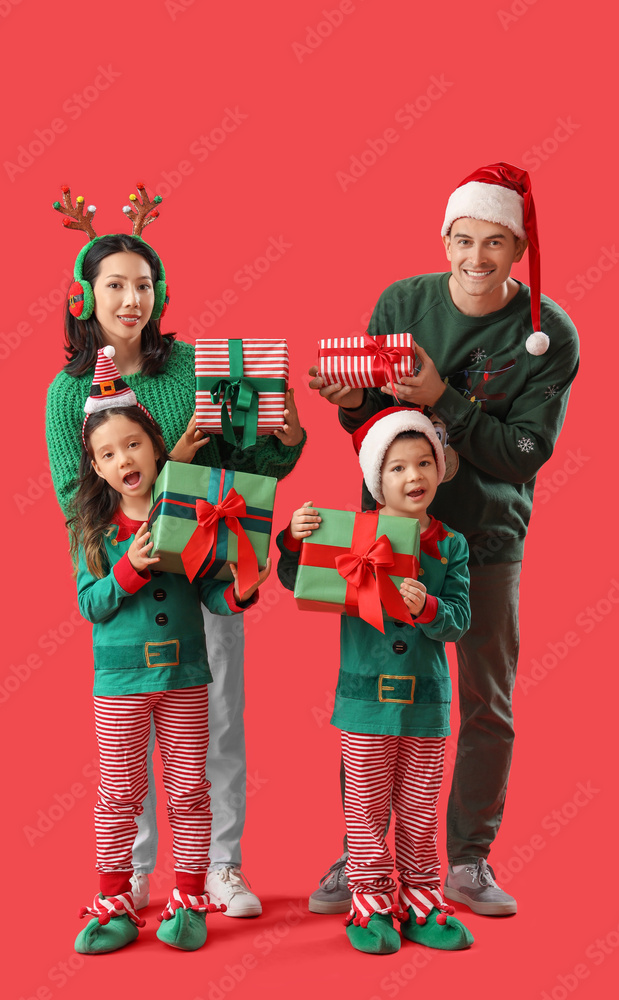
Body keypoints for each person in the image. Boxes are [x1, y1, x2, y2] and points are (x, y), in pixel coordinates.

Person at [307, 162, 579, 916]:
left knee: (484, 700)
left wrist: (441, 400)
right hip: (386, 535)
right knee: (371, 697)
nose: (476, 258)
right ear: (443, 239)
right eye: (463, 240)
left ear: (517, 249)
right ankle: (363, 857)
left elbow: (523, 452)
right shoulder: (403, 302)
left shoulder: (547, 335)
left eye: (495, 243)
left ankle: (466, 859)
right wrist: (353, 399)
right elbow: (368, 431)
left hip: (487, 534)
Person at [46, 184, 305, 917]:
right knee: (129, 742)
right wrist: (120, 563)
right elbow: (81, 503)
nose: (132, 299)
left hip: (209, 570)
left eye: (144, 285)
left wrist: (284, 439)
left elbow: (246, 472)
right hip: (127, 584)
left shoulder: (198, 364)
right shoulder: (67, 396)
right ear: (85, 296)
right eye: (115, 286)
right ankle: (130, 875)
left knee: (215, 720)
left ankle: (218, 865)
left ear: (160, 294)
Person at [70, 348, 269, 954]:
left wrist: (239, 591)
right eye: (108, 454)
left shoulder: (188, 514)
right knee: (119, 792)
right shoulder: (93, 532)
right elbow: (91, 605)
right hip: (121, 683)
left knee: (187, 789)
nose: (123, 459)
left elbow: (212, 590)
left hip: (185, 675)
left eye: (132, 445)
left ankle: (187, 898)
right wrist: (127, 569)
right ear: (97, 469)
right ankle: (114, 900)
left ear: (155, 448)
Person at [277, 407, 473, 954]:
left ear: (439, 469)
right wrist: (293, 540)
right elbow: (299, 581)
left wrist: (429, 606)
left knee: (418, 808)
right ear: (375, 480)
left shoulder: (450, 544)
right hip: (364, 704)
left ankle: (421, 898)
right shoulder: (350, 532)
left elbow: (459, 622)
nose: (414, 477)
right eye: (398, 468)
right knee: (364, 810)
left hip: (427, 705)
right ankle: (369, 902)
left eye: (425, 463)